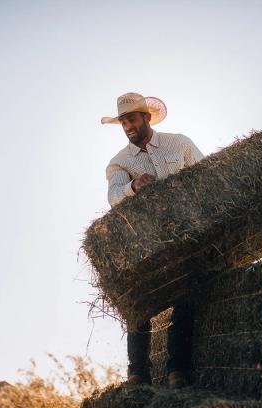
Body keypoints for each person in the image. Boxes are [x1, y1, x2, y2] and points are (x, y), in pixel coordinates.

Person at [102, 92, 204, 389]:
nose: (127, 126)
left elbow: (207, 177)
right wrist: (133, 186)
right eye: (122, 122)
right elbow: (113, 197)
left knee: (185, 297)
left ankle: (177, 371)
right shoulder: (118, 163)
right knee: (138, 299)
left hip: (185, 233)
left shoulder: (180, 143)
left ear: (146, 117)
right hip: (144, 241)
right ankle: (138, 374)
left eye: (132, 119)